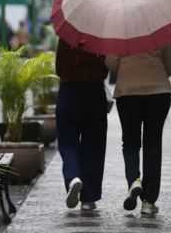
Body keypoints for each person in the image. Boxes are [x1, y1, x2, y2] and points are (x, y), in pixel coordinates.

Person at [105, 45, 171, 217]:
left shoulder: (120, 29)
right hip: (159, 92)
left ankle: (134, 181)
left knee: (130, 142)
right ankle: (149, 202)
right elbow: (170, 68)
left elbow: (111, 63)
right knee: (153, 144)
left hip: (127, 92)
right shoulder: (159, 29)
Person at [55, 39, 108, 211]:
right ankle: (88, 198)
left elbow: (58, 68)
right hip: (94, 93)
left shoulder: (67, 35)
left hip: (69, 91)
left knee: (67, 141)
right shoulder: (99, 35)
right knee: (94, 144)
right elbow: (105, 68)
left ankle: (73, 177)